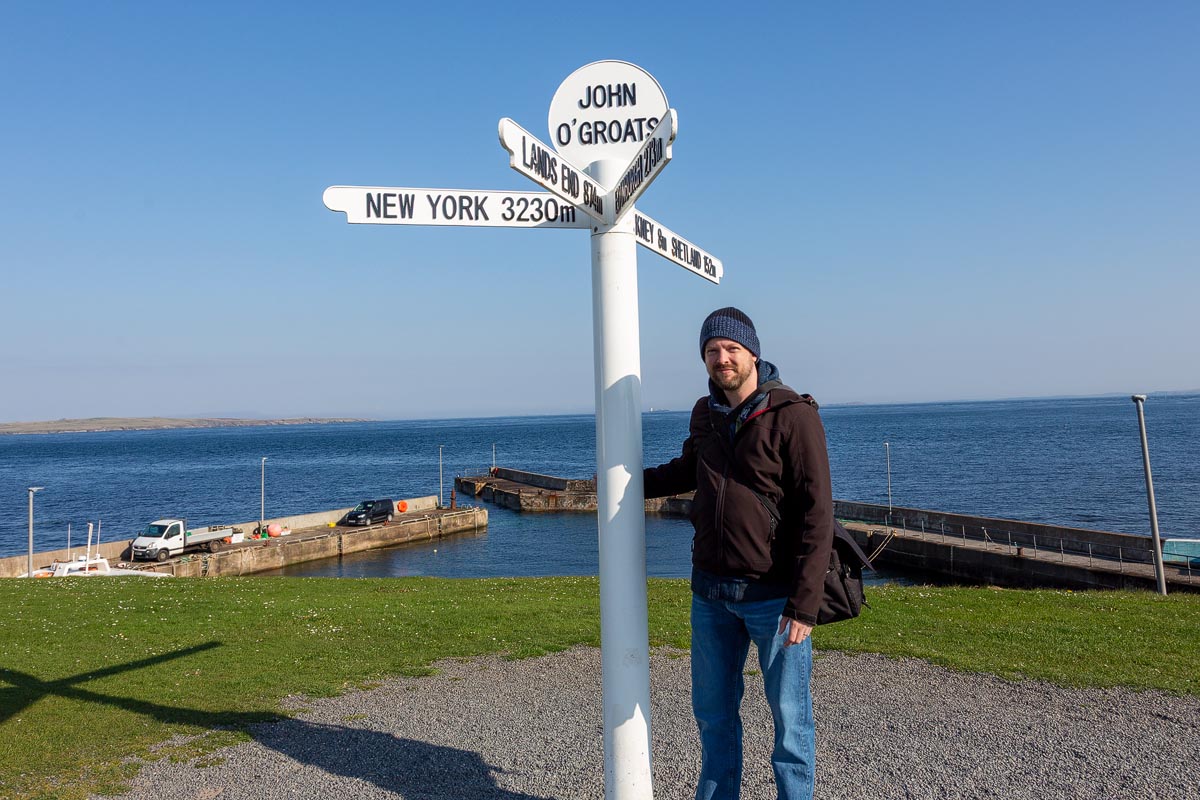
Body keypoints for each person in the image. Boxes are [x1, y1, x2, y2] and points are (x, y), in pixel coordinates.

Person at [644, 307, 834, 800]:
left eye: (731, 349)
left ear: (753, 353)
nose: (721, 359)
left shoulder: (793, 414)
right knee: (714, 719)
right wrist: (624, 481)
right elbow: (687, 470)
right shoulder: (705, 413)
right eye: (711, 351)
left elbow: (818, 513)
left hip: (773, 599)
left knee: (791, 726)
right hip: (710, 594)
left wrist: (805, 604)